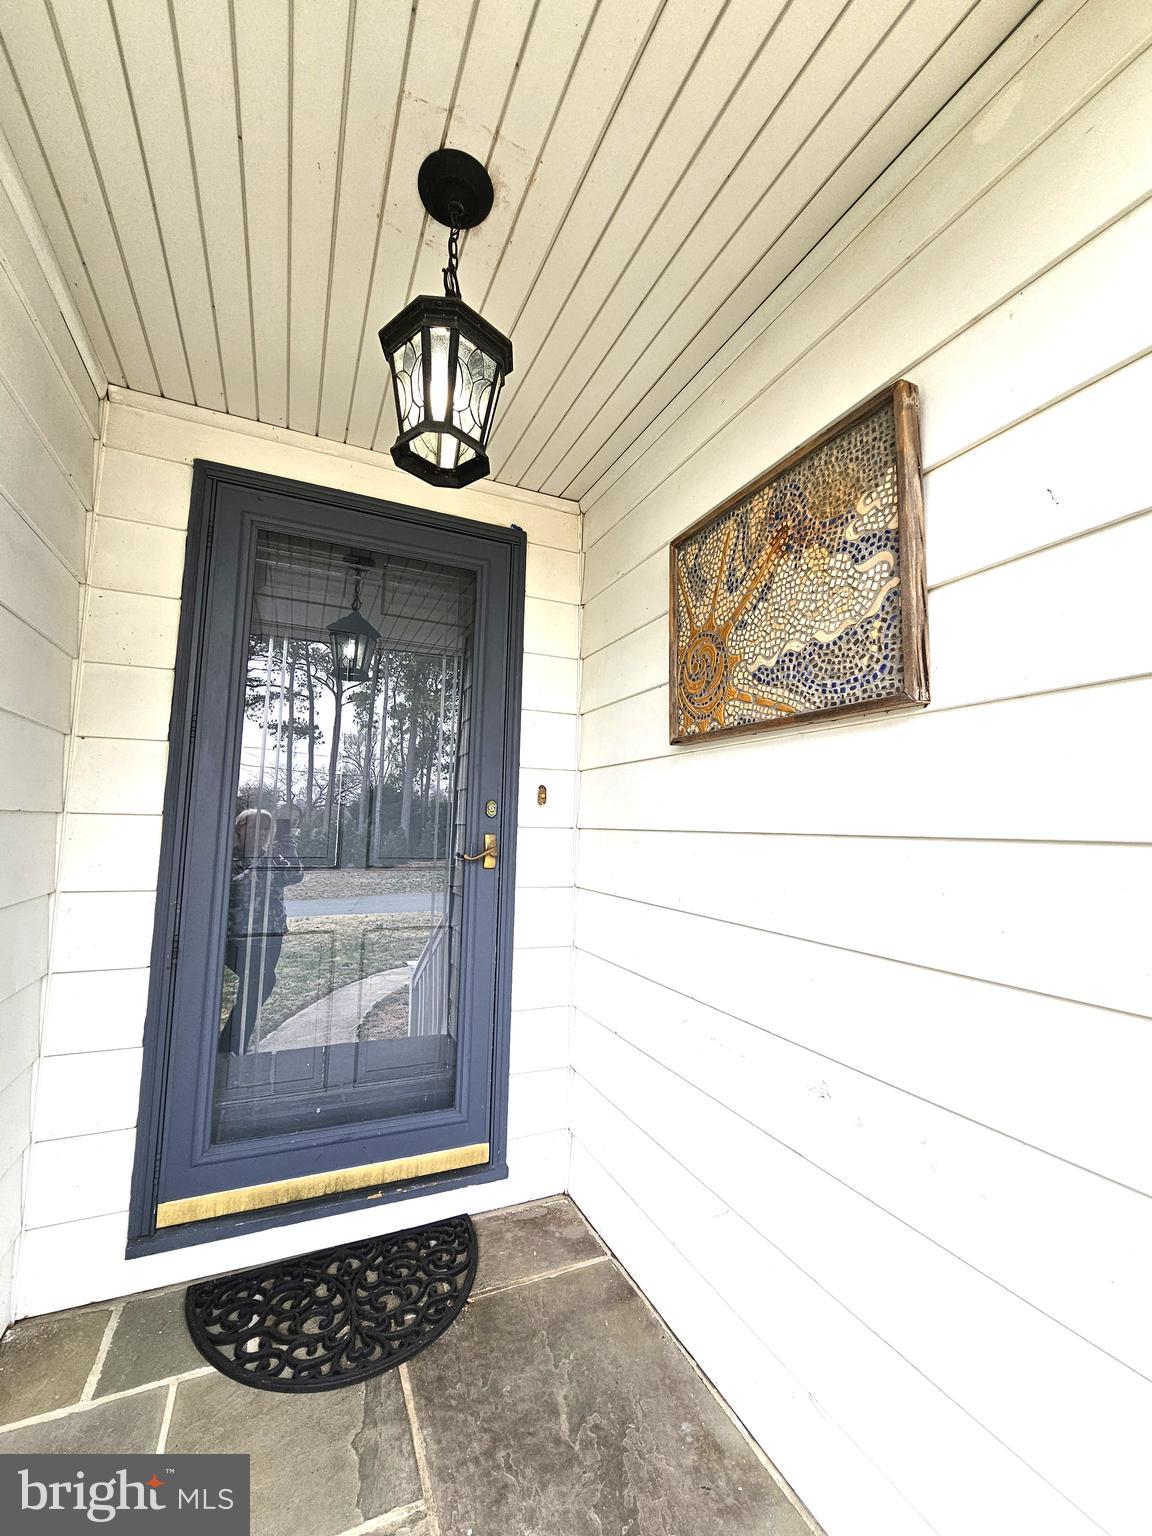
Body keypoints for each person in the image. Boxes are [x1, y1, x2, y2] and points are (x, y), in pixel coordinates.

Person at [221, 808, 303, 1053]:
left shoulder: (271, 856)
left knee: (251, 992)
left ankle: (234, 1049)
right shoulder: (229, 857)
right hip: (239, 937)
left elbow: (295, 875)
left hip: (273, 932)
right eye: (254, 827)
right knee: (264, 980)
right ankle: (227, 1046)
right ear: (239, 830)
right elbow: (235, 886)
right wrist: (261, 866)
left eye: (266, 828)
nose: (261, 833)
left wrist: (287, 846)